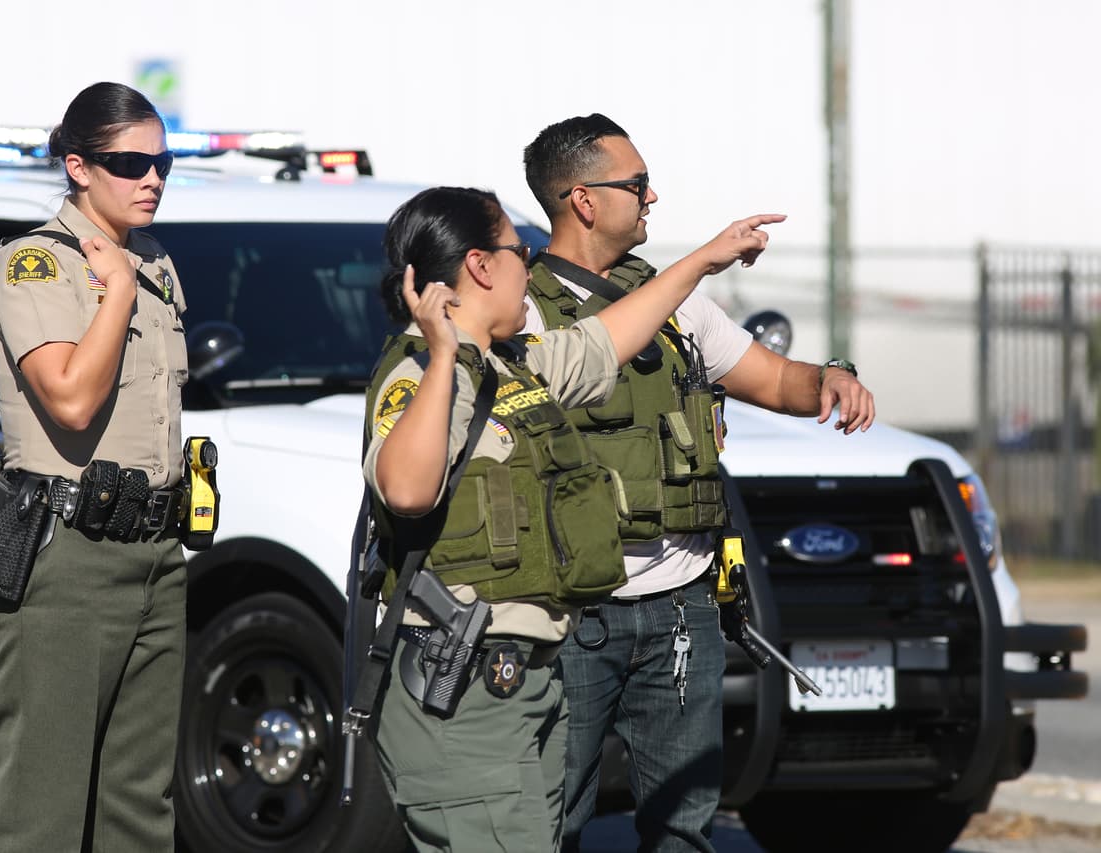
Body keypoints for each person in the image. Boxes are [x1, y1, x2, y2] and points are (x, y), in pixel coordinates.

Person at [363, 185, 782, 852]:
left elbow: (607, 337)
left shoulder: (507, 367)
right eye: (517, 252)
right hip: (463, 686)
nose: (527, 268)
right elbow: (408, 491)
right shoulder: (420, 374)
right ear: (478, 265)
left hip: (522, 683)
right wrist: (444, 352)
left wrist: (704, 259)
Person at [520, 113, 876, 852]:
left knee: (685, 828)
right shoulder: (522, 310)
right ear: (583, 200)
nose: (652, 197)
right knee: (548, 825)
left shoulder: (677, 305)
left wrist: (833, 376)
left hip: (680, 608)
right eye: (638, 184)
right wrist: (706, 258)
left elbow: (776, 378)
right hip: (568, 619)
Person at [0, 82, 190, 852]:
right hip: (69, 556)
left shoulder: (155, 261)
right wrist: (118, 293)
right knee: (42, 812)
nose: (152, 178)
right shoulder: (32, 265)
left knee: (139, 808)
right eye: (130, 162)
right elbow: (69, 398)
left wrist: (132, 277)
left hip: (156, 552)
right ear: (78, 166)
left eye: (163, 161)